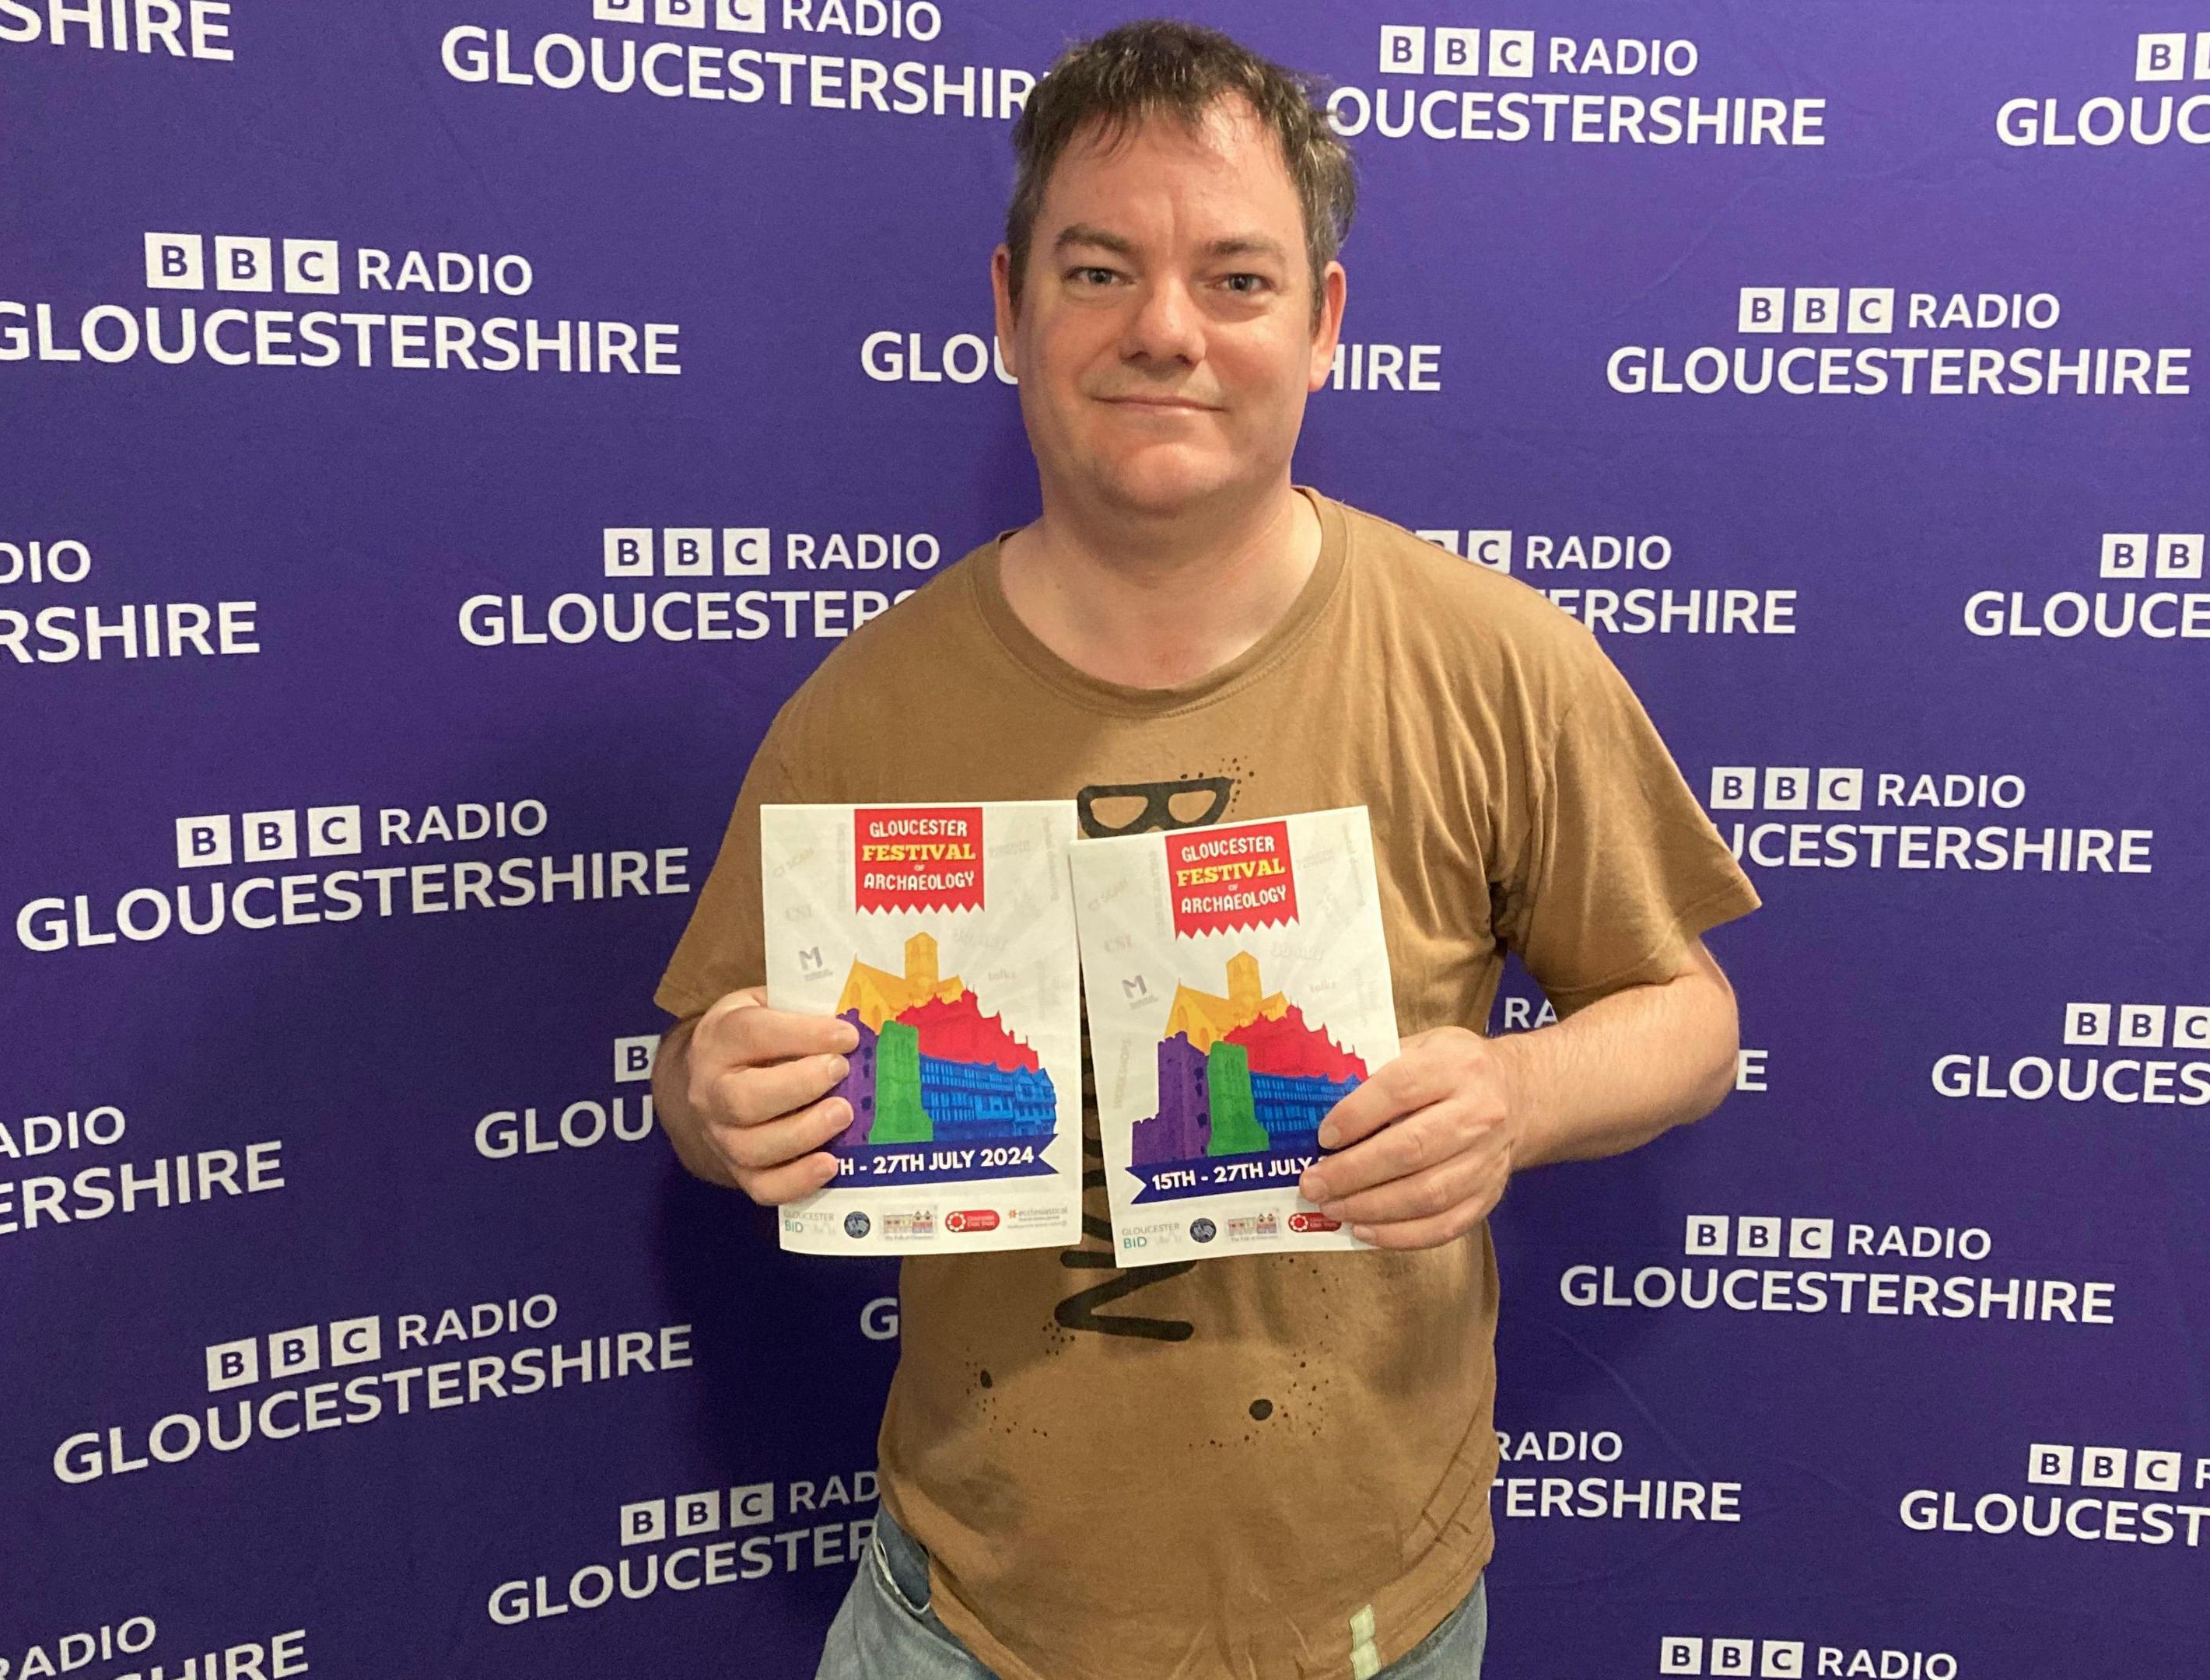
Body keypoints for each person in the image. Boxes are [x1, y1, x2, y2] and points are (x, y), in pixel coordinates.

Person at [650, 20, 1757, 1680]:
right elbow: (694, 1079)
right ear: (1012, 307)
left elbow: (1693, 1016)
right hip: (959, 1622)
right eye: (1100, 270)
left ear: (1320, 324)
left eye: (1235, 280)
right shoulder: (861, 711)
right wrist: (719, 1102)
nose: (1164, 329)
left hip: (1368, 1626)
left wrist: (1515, 1098)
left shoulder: (1494, 661)